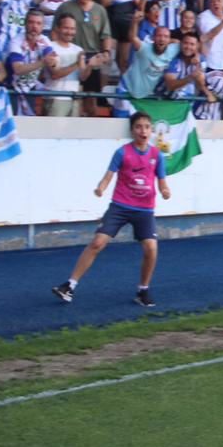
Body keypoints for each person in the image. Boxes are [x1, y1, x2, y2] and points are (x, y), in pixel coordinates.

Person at [51, 112, 171, 308]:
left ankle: (143, 290)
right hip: (120, 206)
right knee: (98, 242)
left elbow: (162, 181)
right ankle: (69, 286)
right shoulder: (122, 152)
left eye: (147, 127)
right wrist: (101, 187)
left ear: (151, 130)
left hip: (145, 210)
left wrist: (165, 190)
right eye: (139, 127)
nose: (143, 131)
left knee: (151, 248)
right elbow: (108, 176)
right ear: (132, 131)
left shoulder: (157, 155)